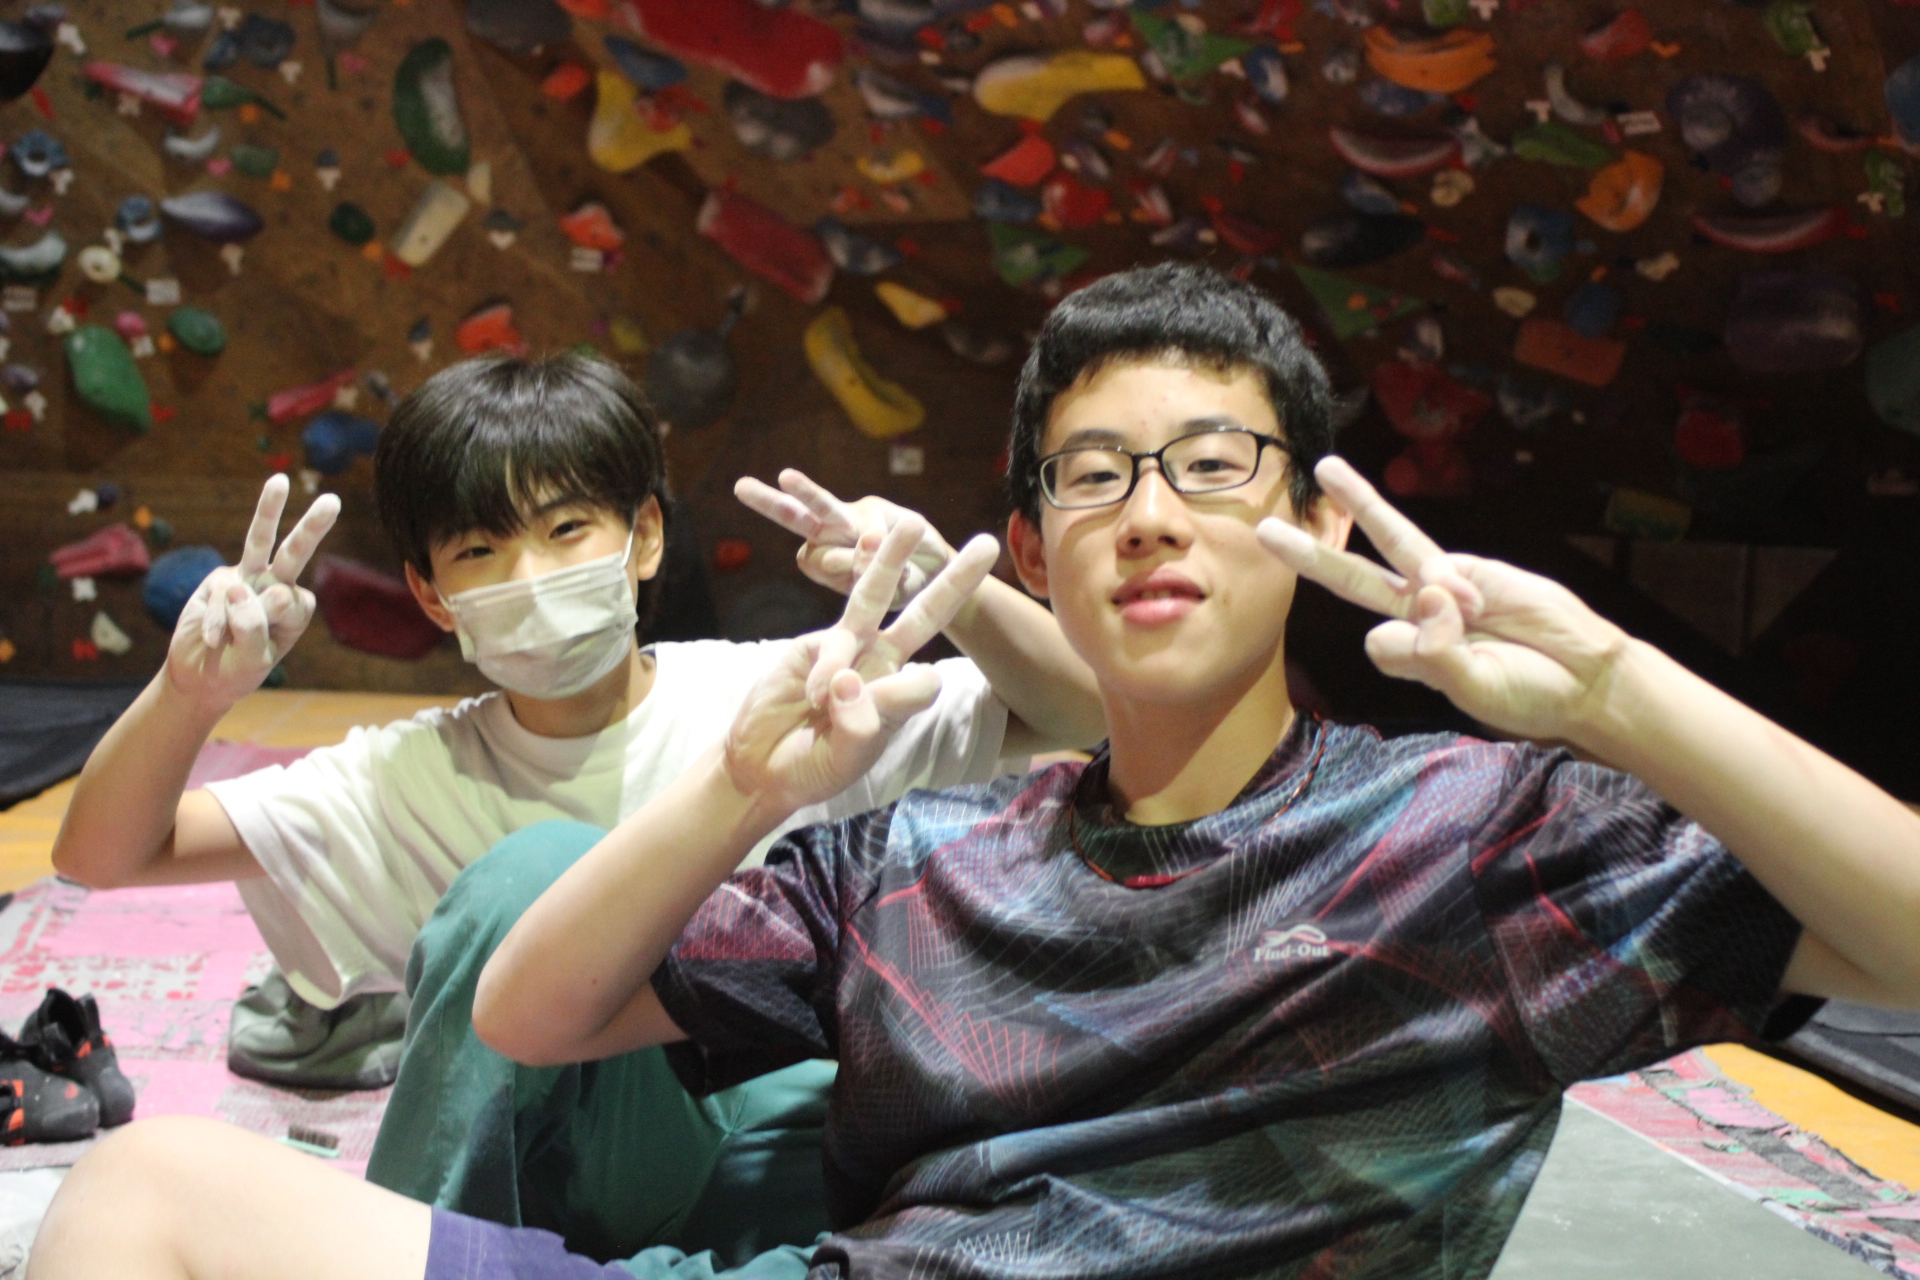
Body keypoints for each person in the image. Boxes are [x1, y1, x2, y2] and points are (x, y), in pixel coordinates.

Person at [30, 263, 1920, 1280]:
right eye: (1095, 476)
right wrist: (742, 791)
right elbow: (523, 1019)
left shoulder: (1479, 833)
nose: (1152, 513)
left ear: (1317, 522)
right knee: (145, 1186)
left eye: (1214, 466)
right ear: (1031, 546)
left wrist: (1619, 692)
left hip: (766, 1150)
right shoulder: (905, 847)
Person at [45, 353, 1101, 1264]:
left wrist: (939, 574)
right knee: (532, 876)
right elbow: (103, 854)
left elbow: (1089, 710)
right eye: (480, 551)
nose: (533, 575)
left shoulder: (783, 697)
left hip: (789, 1160)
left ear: (644, 538)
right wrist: (188, 695)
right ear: (431, 594)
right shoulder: (406, 775)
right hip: (565, 1174)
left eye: (565, 529)